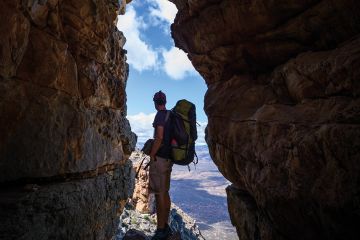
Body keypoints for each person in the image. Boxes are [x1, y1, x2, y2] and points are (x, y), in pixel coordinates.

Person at [149, 90, 173, 240]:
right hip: (169, 158)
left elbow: (159, 136)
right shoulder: (170, 115)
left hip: (160, 159)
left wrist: (152, 154)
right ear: (165, 101)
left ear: (155, 103)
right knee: (165, 192)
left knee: (159, 193)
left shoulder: (160, 115)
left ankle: (161, 229)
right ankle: (165, 224)